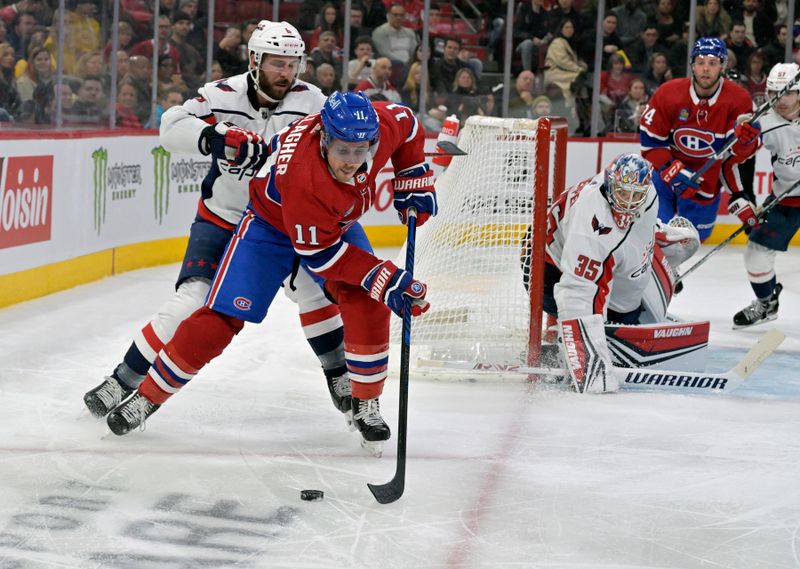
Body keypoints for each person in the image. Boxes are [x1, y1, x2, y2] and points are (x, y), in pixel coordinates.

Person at [104, 91, 436, 459]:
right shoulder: (305, 178)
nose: (353, 163)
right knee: (221, 318)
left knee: (367, 299)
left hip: (332, 227)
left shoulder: (371, 129)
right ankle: (147, 397)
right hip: (271, 226)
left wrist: (411, 174)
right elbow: (322, 256)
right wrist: (387, 278)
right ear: (324, 138)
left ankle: (366, 403)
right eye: (343, 151)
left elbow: (408, 123)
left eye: (362, 152)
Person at [83, 21, 350, 433]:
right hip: (223, 219)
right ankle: (123, 379)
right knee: (192, 300)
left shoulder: (313, 101)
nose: (286, 73)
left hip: (282, 225)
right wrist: (213, 137)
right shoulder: (220, 95)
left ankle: (339, 377)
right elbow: (171, 126)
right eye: (277, 63)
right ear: (254, 61)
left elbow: (345, 143)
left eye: (292, 64)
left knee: (315, 292)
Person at [542, 153, 658, 393]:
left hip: (574, 247)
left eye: (636, 195)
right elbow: (577, 292)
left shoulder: (649, 194)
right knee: (580, 296)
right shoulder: (593, 223)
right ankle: (562, 338)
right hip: (544, 264)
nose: (629, 202)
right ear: (609, 184)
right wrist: (591, 369)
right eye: (623, 193)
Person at [639, 37, 761, 241]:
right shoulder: (668, 93)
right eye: (701, 62)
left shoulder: (739, 100)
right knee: (654, 233)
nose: (706, 69)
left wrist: (745, 141)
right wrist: (670, 169)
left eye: (712, 63)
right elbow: (651, 142)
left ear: (722, 65)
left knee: (697, 238)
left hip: (706, 185)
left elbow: (733, 160)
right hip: (666, 176)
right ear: (692, 65)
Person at [732, 62, 800, 328]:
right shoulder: (764, 121)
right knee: (755, 255)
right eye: (774, 92)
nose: (780, 100)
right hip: (785, 198)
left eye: (788, 93)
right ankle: (766, 304)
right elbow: (740, 158)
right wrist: (742, 138)